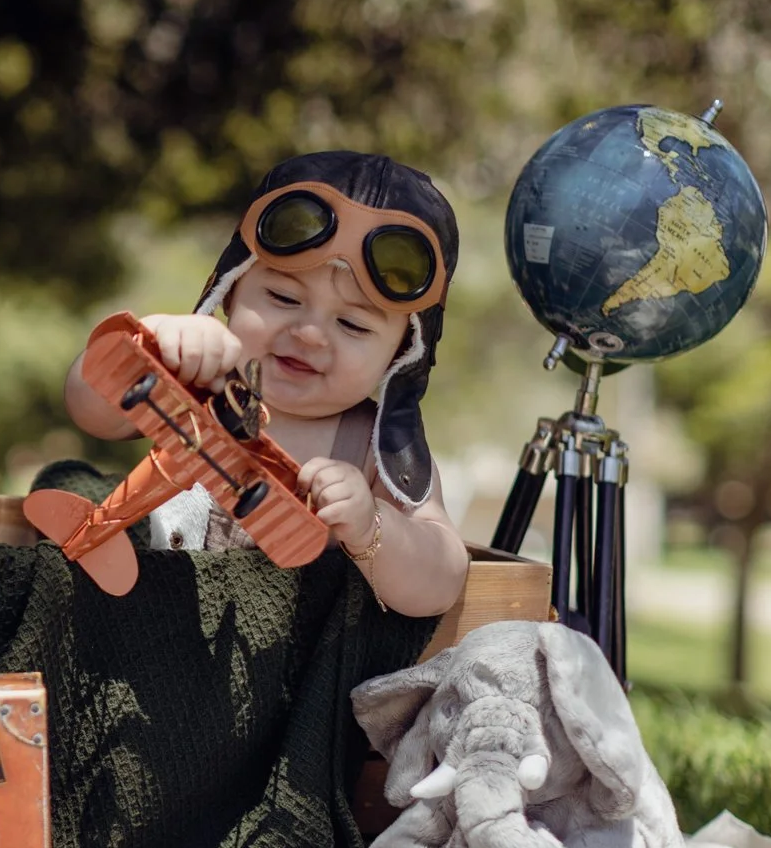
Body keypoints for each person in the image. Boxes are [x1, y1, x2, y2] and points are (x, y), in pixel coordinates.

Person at [64, 151, 470, 618]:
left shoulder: (375, 452)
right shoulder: (200, 379)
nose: (309, 334)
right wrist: (150, 343)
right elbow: (86, 406)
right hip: (154, 629)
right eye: (282, 297)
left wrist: (371, 526)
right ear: (230, 290)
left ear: (401, 356)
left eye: (353, 326)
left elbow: (443, 579)